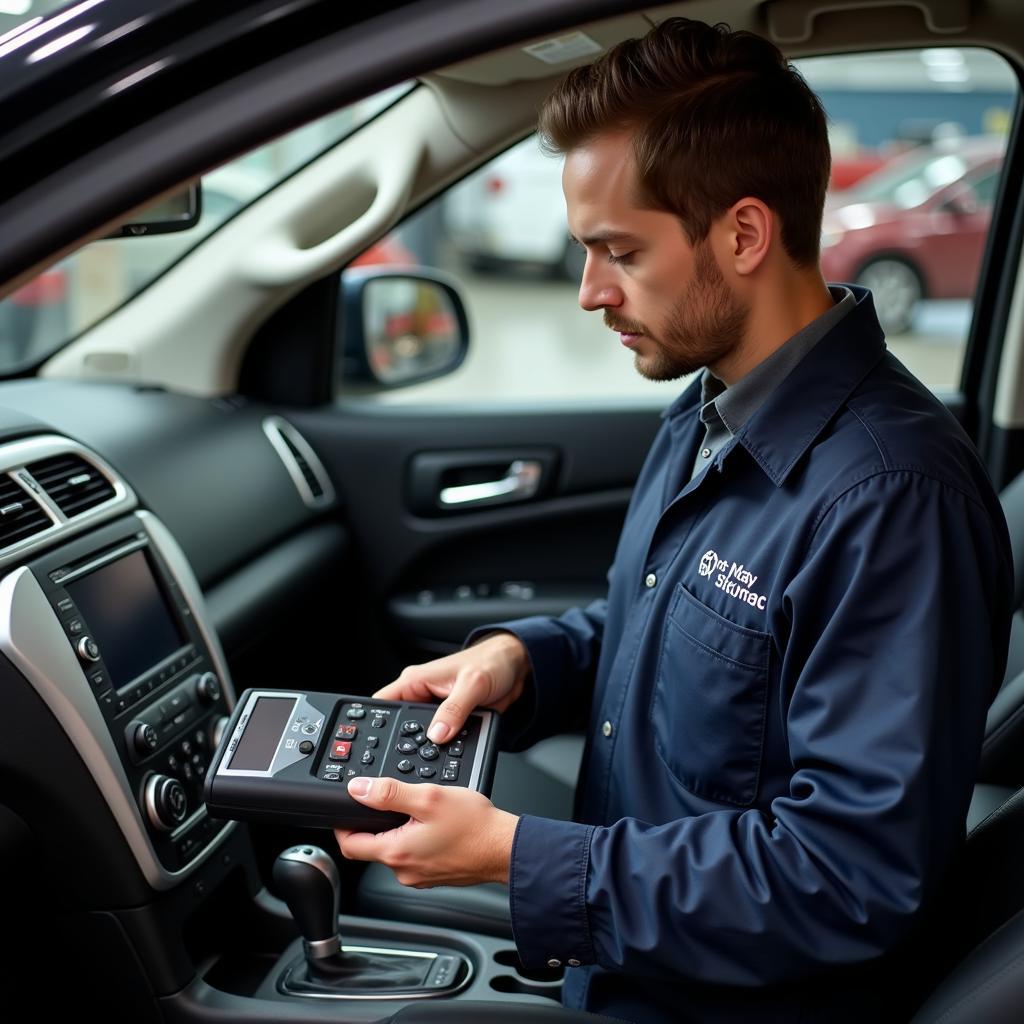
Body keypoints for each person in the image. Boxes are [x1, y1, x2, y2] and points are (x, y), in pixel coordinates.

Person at [334, 18, 1014, 1023]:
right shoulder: (712, 403)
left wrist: (519, 858)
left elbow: (846, 871)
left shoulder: (890, 500)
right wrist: (525, 662)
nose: (588, 293)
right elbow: (683, 632)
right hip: (623, 963)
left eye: (619, 252)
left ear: (742, 234)